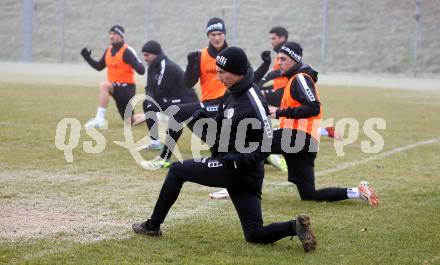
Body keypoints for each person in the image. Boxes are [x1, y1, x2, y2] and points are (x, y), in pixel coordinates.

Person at [132, 47, 317, 252]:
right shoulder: (236, 89)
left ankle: (152, 226)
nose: (218, 77)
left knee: (177, 170)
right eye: (217, 71)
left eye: (222, 72)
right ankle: (296, 227)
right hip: (247, 174)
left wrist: (237, 159)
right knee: (254, 234)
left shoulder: (251, 102)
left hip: (237, 169)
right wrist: (203, 118)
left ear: (237, 72)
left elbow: (266, 143)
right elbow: (224, 123)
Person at [269, 41, 379, 206]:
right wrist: (278, 112)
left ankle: (236, 187)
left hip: (297, 136)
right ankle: (357, 192)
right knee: (309, 194)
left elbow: (313, 107)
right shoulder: (295, 79)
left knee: (253, 143)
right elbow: (299, 108)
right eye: (278, 59)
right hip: (305, 141)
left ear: (295, 59)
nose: (279, 63)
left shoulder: (300, 78)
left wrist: (280, 112)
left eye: (283, 59)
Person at [141, 17, 229, 169]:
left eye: (219, 34)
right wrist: (191, 65)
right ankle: (166, 158)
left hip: (227, 103)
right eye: (212, 34)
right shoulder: (201, 55)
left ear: (224, 34)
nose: (216, 37)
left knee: (179, 112)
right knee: (187, 118)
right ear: (208, 36)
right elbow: (189, 83)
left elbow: (247, 77)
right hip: (208, 103)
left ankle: (164, 158)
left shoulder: (233, 54)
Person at [259, 27, 341, 140]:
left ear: (282, 38)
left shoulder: (288, 55)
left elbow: (278, 74)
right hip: (283, 90)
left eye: (274, 38)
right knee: (289, 120)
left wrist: (262, 81)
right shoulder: (282, 54)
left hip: (284, 91)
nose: (271, 41)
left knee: (258, 99)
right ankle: (324, 130)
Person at [81, 25, 145, 128]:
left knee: (104, 85)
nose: (111, 36)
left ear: (121, 36)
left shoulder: (127, 51)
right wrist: (87, 58)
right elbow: (99, 67)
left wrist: (134, 63)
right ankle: (153, 115)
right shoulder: (108, 50)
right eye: (110, 33)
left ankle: (99, 119)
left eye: (114, 34)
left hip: (126, 89)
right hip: (115, 88)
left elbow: (141, 70)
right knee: (131, 121)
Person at [140, 40, 199, 150]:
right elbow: (149, 88)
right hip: (171, 99)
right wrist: (149, 100)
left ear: (155, 54)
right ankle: (155, 142)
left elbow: (159, 90)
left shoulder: (165, 66)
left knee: (200, 129)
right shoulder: (152, 65)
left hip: (186, 100)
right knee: (147, 104)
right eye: (144, 55)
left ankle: (164, 117)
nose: (145, 58)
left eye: (147, 55)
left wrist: (152, 103)